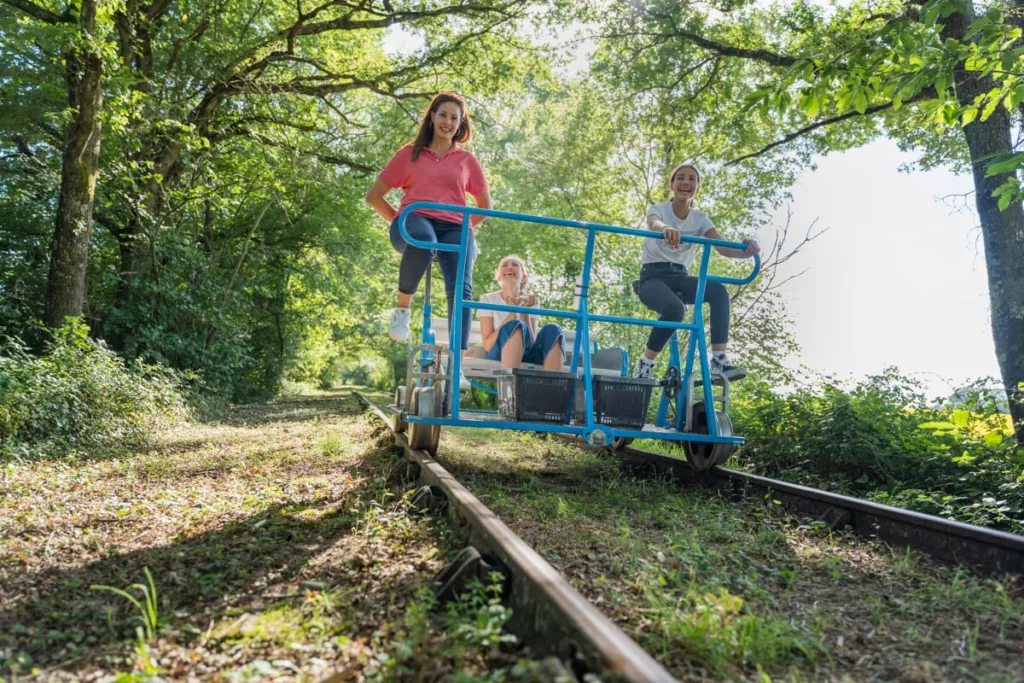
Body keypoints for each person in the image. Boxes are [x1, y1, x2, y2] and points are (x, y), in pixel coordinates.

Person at [365, 92, 493, 391]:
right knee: (424, 241)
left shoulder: (466, 160)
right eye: (443, 115)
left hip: (454, 226)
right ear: (432, 116)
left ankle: (456, 368)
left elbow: (485, 206)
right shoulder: (410, 153)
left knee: (461, 286)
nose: (448, 122)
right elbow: (374, 196)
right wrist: (399, 219)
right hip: (414, 220)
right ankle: (401, 311)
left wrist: (464, 228)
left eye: (454, 118)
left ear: (461, 124)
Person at [633, 162, 760, 382]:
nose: (686, 182)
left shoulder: (700, 219)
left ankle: (719, 360)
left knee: (718, 291)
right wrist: (666, 229)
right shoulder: (659, 209)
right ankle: (646, 363)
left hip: (680, 277)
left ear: (697, 187)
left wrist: (746, 251)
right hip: (653, 277)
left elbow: (722, 247)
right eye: (680, 177)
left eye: (692, 179)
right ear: (672, 184)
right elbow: (654, 223)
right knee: (675, 310)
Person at [478, 255, 565, 371]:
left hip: (526, 353)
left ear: (523, 276)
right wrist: (512, 313)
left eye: (514, 265)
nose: (509, 268)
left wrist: (525, 312)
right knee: (516, 324)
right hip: (499, 352)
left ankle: (555, 384)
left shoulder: (531, 300)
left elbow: (531, 342)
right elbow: (488, 345)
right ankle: (509, 384)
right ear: (498, 276)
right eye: (505, 265)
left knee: (553, 329)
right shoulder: (488, 299)